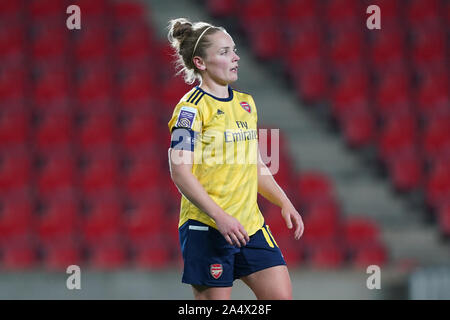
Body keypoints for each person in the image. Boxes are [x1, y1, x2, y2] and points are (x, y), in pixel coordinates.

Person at [167, 18, 304, 300]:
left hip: (250, 225)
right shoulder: (190, 111)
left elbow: (255, 164)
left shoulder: (246, 104)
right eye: (224, 52)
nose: (236, 57)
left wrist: (284, 201)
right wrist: (221, 217)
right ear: (200, 63)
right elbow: (180, 172)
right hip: (208, 226)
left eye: (234, 50)